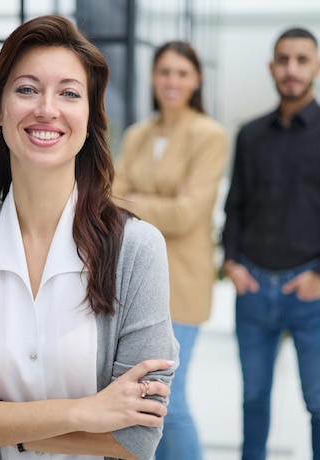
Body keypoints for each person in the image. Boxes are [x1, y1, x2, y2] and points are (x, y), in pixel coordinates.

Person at [0, 15, 179, 460]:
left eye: (69, 93)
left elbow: (137, 438)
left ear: (89, 119)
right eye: (27, 89)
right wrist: (85, 413)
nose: (46, 108)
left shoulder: (138, 251)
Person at [222, 27, 320, 460]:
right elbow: (237, 206)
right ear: (272, 66)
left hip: (308, 292)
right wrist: (232, 262)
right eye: (283, 59)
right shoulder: (250, 135)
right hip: (252, 290)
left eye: (302, 60)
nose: (291, 69)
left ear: (317, 67)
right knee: (253, 400)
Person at [112, 41, 228, 459]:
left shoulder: (209, 135)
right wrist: (158, 200)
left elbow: (187, 214)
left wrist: (136, 199)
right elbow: (108, 198)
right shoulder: (138, 134)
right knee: (140, 404)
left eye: (182, 73)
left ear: (197, 80)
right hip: (134, 283)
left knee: (168, 403)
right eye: (165, 72)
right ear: (153, 77)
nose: (172, 81)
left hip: (182, 285)